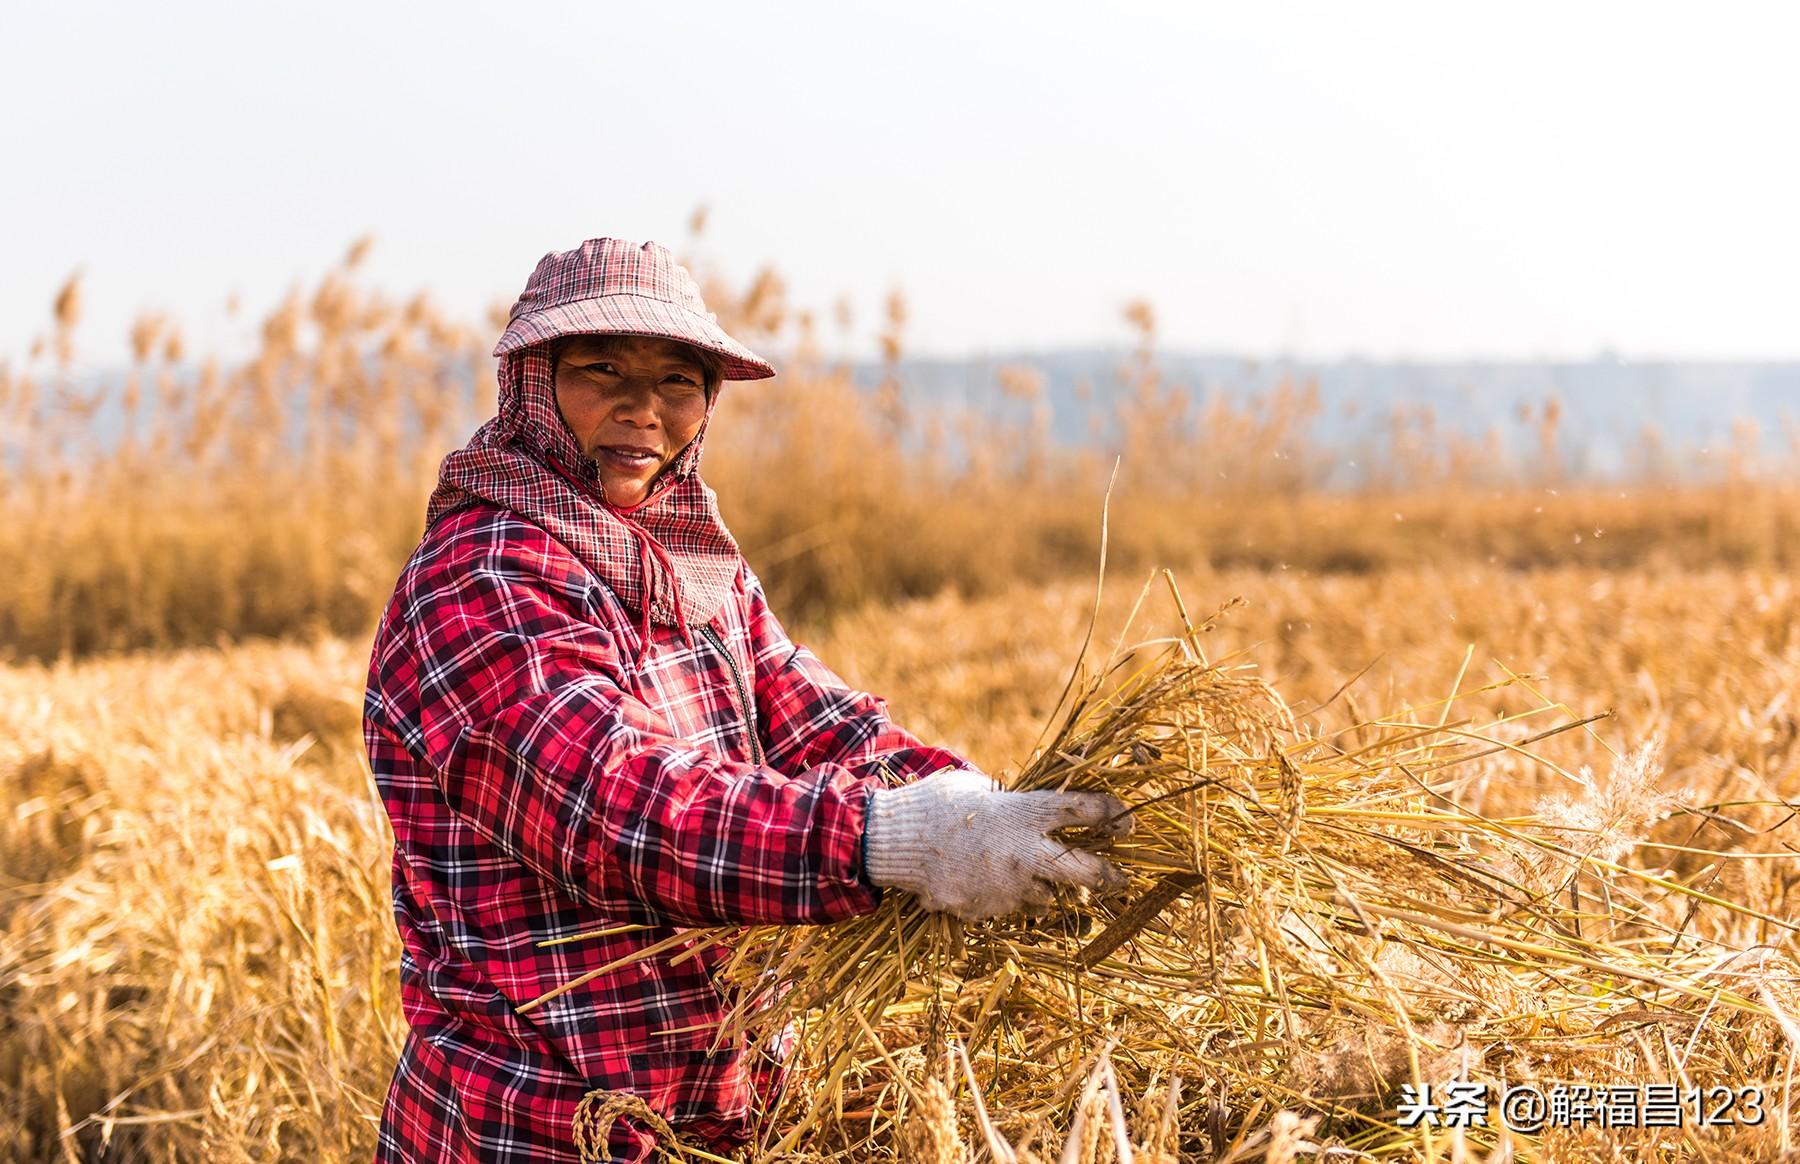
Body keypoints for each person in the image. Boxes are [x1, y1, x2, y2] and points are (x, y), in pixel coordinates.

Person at [362, 238, 1130, 1162]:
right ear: (533, 382)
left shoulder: (692, 562)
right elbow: (618, 809)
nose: (643, 409)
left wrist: (987, 808)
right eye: (602, 369)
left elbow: (814, 718)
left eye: (677, 380)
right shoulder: (483, 573)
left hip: (720, 1112)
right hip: (541, 1120)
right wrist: (889, 839)